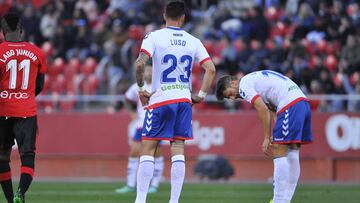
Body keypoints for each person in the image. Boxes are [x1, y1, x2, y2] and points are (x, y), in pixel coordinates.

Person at [133, 1, 216, 203]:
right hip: (183, 100)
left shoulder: (154, 36)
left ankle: (141, 200)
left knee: (148, 148)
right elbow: (211, 69)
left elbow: (140, 63)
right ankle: (174, 201)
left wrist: (142, 88)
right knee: (178, 147)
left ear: (164, 16)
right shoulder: (193, 40)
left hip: (161, 99)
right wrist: (201, 95)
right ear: (183, 18)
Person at [216, 70, 312, 203]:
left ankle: (279, 200)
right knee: (292, 151)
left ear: (233, 82)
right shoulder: (254, 80)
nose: (232, 98)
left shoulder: (244, 85)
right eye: (229, 98)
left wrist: (267, 137)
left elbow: (262, 109)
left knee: (279, 150)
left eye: (230, 94)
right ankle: (285, 200)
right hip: (302, 102)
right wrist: (275, 131)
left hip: (290, 104)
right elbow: (272, 108)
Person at [0, 12, 47, 203]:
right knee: (27, 155)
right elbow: (40, 84)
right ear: (21, 31)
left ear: (3, 32)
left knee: (2, 157)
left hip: (2, 110)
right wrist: (24, 97)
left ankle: (11, 200)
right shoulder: (37, 53)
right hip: (26, 111)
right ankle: (21, 193)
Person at [115, 63, 164, 194]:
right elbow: (126, 98)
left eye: (150, 71)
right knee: (134, 152)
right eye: (146, 71)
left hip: (156, 123)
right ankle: (130, 185)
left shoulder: (160, 86)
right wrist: (131, 113)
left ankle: (154, 185)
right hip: (141, 124)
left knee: (157, 153)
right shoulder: (137, 86)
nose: (148, 73)